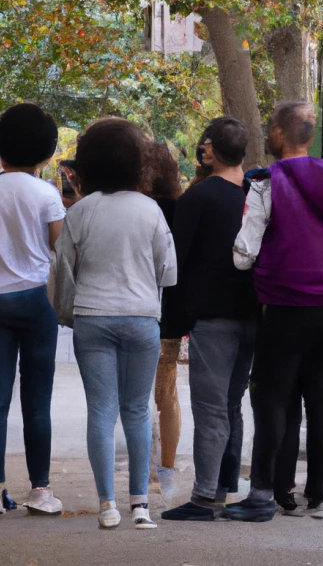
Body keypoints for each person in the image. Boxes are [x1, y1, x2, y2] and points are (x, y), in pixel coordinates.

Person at [230, 101, 323, 521]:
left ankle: (274, 489)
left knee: (275, 399)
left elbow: (243, 254)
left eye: (270, 128)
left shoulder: (266, 184)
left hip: (287, 308)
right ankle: (318, 488)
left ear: (278, 134)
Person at [55, 119, 176, 529]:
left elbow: (63, 271)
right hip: (142, 316)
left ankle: (107, 504)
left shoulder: (80, 211)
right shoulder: (151, 210)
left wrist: (66, 313)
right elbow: (169, 272)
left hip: (92, 316)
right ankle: (140, 505)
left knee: (101, 411)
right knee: (137, 410)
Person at [0, 103, 65, 518]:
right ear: (46, 150)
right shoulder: (46, 194)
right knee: (36, 401)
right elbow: (60, 249)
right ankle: (40, 490)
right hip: (36, 300)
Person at [162, 117, 258, 522]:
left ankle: (203, 498)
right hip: (253, 313)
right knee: (232, 405)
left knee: (210, 407)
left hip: (212, 317)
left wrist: (172, 322)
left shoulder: (197, 200)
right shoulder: (256, 197)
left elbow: (175, 262)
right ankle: (223, 487)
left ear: (211, 151)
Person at [146, 142, 184, 487]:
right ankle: (166, 469)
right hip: (169, 309)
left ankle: (147, 471)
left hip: (137, 305)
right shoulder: (178, 205)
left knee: (135, 397)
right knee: (167, 393)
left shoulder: (135, 206)